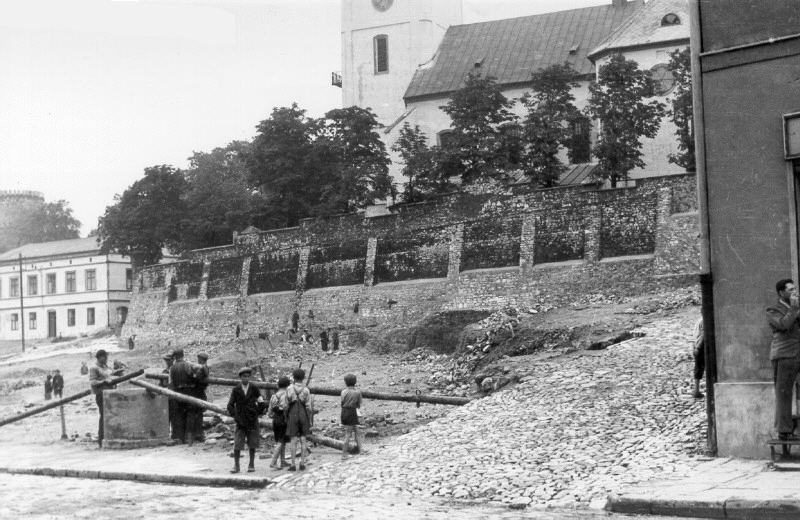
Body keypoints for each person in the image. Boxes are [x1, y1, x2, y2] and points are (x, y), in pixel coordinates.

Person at [767, 279, 800, 441]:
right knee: (784, 393)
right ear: (781, 293)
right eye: (790, 290)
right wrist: (794, 308)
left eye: (795, 289)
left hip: (798, 353)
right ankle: (784, 430)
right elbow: (784, 325)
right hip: (784, 355)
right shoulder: (773, 309)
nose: (794, 292)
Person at [226, 367, 266, 473]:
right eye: (244, 377)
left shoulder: (254, 388)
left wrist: (256, 413)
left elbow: (261, 403)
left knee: (252, 442)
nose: (246, 379)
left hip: (252, 420)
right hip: (241, 421)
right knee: (238, 442)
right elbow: (230, 405)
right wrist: (236, 416)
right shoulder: (236, 390)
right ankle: (236, 465)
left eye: (248, 377)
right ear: (240, 377)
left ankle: (251, 464)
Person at [89, 349, 122, 447]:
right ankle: (101, 439)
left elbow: (109, 375)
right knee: (104, 416)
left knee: (111, 416)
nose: (107, 358)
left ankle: (109, 437)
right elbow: (93, 382)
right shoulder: (94, 368)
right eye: (105, 357)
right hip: (101, 394)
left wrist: (116, 373)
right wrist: (104, 382)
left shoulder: (105, 366)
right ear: (99, 357)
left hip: (109, 393)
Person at [285, 368, 312, 471]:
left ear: (293, 377)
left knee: (293, 439)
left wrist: (286, 415)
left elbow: (286, 404)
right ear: (303, 378)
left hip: (293, 414)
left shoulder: (289, 388)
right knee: (303, 438)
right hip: (303, 415)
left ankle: (292, 464)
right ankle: (302, 463)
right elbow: (309, 407)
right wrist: (308, 418)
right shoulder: (306, 390)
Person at [169, 349, 197, 445]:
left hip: (177, 393)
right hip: (189, 392)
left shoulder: (172, 368)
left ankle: (180, 439)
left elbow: (170, 383)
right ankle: (189, 439)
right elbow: (195, 375)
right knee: (190, 415)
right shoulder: (188, 365)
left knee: (179, 416)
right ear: (183, 355)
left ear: (175, 357)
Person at [268, 376, 291, 470]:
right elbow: (286, 408)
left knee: (281, 440)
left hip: (276, 419)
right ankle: (273, 461)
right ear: (287, 385)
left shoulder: (274, 396)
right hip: (283, 418)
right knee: (281, 441)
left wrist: (275, 415)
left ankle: (283, 461)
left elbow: (269, 413)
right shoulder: (286, 395)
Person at [340, 373, 363, 460]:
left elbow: (342, 403)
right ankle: (344, 454)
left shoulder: (343, 392)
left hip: (344, 412)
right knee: (348, 434)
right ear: (355, 382)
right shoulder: (357, 392)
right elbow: (358, 405)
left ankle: (361, 449)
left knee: (356, 430)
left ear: (345, 382)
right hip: (352, 412)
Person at [192, 353, 210, 442]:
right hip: (200, 392)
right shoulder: (204, 367)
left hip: (199, 392)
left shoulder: (203, 367)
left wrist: (194, 375)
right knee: (198, 413)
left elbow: (197, 378)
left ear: (202, 360)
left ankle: (198, 434)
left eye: (198, 359)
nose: (197, 360)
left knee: (198, 413)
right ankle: (199, 433)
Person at [692, 318, 705, 399]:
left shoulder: (698, 321)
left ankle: (696, 390)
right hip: (701, 347)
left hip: (696, 346)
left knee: (698, 368)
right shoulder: (704, 322)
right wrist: (698, 347)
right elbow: (702, 335)